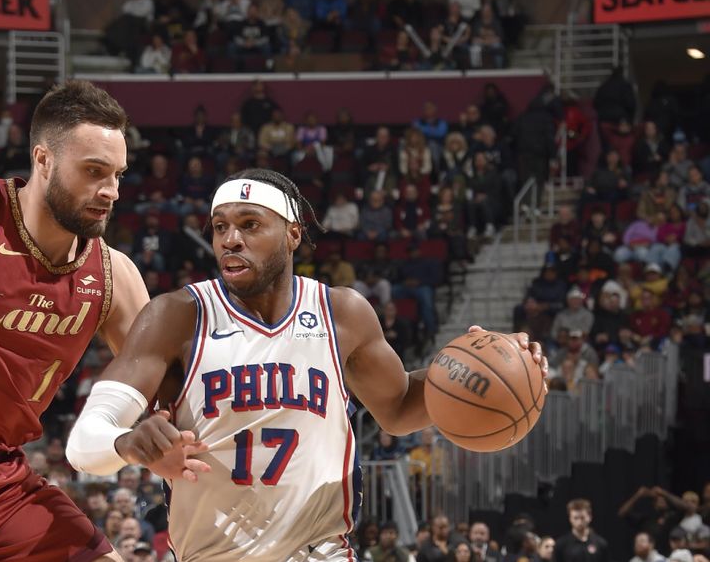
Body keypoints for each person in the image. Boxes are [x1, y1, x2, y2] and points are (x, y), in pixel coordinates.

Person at [65, 168, 548, 561]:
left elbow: (400, 409)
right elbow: (84, 444)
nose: (230, 239)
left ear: (292, 234)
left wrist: (483, 371)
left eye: (250, 225)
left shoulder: (344, 313)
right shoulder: (177, 316)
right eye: (220, 227)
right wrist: (127, 443)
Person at [0, 81, 156, 560]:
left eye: (118, 175)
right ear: (43, 160)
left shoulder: (114, 276)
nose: (110, 191)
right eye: (93, 171)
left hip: (4, 480)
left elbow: (175, 381)